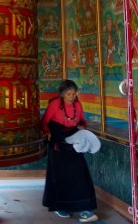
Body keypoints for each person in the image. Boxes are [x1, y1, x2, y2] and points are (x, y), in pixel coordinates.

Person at [41, 80, 98, 223]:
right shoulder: (54, 104)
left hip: (74, 144)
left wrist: (81, 126)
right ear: (62, 94)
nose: (72, 97)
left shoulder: (77, 105)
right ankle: (60, 206)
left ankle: (85, 209)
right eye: (68, 94)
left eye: (74, 94)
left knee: (80, 175)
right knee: (60, 177)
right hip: (58, 144)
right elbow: (44, 122)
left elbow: (83, 121)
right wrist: (47, 132)